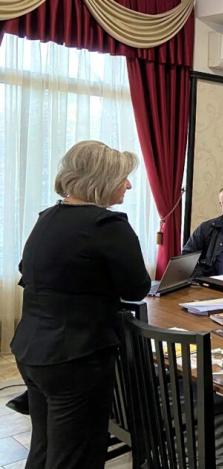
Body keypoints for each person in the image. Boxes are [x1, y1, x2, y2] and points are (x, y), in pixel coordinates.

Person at [10, 141, 151, 469]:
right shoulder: (107, 226)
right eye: (123, 177)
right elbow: (137, 288)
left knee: (44, 448)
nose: (129, 185)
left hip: (32, 350)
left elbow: (27, 271)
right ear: (103, 179)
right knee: (77, 456)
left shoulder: (47, 218)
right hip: (77, 357)